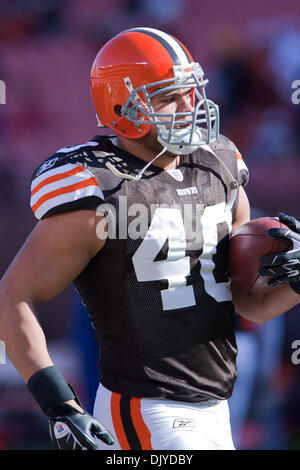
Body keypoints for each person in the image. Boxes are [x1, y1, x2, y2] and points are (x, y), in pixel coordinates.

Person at [0, 27, 300, 451]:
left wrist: (293, 283)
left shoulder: (219, 166)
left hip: (216, 407)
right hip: (146, 407)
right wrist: (59, 403)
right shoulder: (101, 189)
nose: (189, 106)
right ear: (121, 107)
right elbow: (12, 296)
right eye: (168, 96)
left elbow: (246, 304)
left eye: (191, 91)